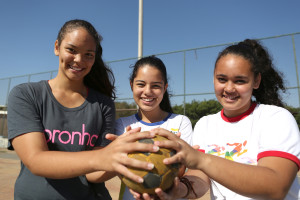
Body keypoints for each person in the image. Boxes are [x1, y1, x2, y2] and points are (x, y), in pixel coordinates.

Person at [7, 19, 160, 200]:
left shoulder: (103, 105)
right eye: (71, 50)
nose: (79, 60)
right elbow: (35, 160)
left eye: (88, 54)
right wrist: (104, 157)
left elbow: (92, 173)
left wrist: (125, 159)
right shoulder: (26, 94)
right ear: (57, 47)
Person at [134, 39, 300, 200]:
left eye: (240, 80)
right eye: (222, 79)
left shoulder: (276, 118)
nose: (229, 88)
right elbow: (201, 176)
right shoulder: (205, 124)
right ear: (213, 78)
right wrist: (179, 189)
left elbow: (275, 187)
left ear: (256, 81)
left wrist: (200, 159)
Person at [115, 56, 193, 200]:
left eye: (156, 86)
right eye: (141, 84)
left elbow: (181, 170)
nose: (148, 91)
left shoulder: (181, 122)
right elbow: (117, 167)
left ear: (165, 87)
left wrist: (175, 153)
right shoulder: (122, 125)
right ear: (131, 85)